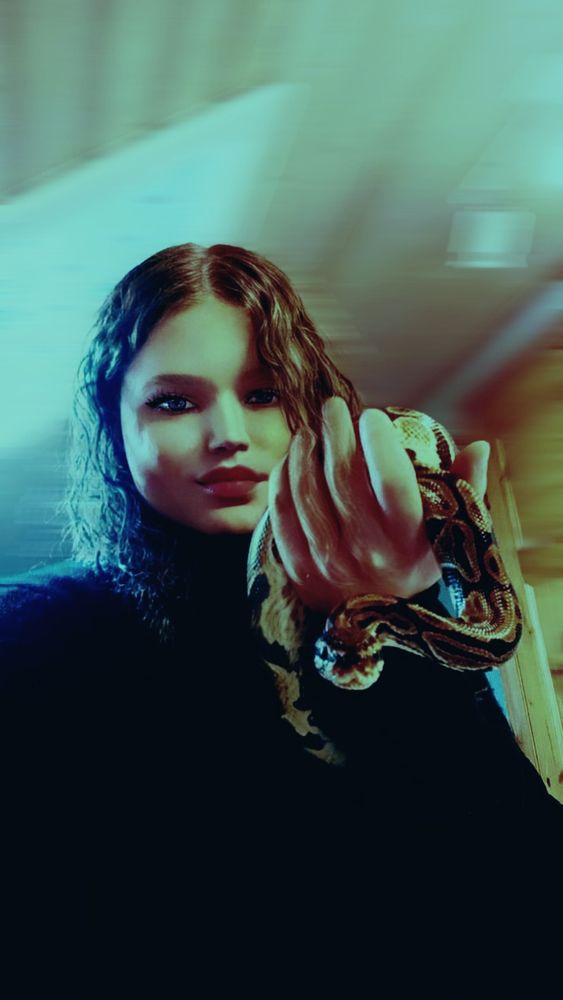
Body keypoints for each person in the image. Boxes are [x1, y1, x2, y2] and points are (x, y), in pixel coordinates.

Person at [1, 242, 560, 995]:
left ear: (311, 408)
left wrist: (397, 629)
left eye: (263, 393)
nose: (227, 432)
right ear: (115, 426)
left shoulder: (421, 612)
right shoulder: (31, 637)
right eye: (173, 401)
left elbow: (531, 916)